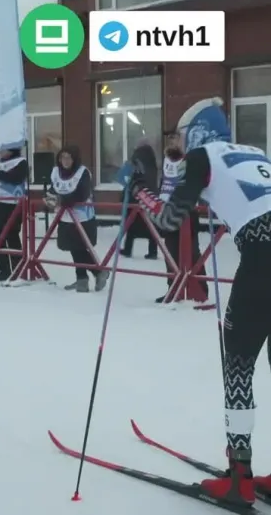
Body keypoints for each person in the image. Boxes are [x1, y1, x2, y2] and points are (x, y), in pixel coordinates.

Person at [123, 96, 271, 507]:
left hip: (263, 263)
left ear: (198, 134)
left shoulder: (203, 156)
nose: (182, 146)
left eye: (184, 137)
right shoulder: (255, 152)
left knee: (239, 368)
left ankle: (239, 478)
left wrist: (142, 192)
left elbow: (170, 219)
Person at [45, 145, 109, 292]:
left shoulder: (83, 173)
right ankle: (89, 276)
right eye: (62, 158)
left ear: (74, 159)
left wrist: (62, 200)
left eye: (68, 158)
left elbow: (82, 194)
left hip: (83, 217)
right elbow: (52, 189)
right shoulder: (56, 172)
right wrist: (49, 198)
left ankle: (89, 276)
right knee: (73, 248)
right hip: (66, 216)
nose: (65, 161)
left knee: (79, 248)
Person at [155, 132, 208, 303]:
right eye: (170, 140)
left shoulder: (190, 159)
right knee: (170, 252)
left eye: (176, 139)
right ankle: (173, 290)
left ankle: (200, 291)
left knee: (192, 252)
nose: (173, 143)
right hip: (168, 209)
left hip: (186, 211)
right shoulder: (164, 161)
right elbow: (162, 183)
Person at [0, 148, 28, 281]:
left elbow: (15, 178)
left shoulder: (21, 162)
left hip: (12, 203)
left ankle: (18, 270)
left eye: (4, 148)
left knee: (12, 236)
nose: (1, 151)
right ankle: (4, 269)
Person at [120, 139, 158, 259]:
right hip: (150, 195)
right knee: (151, 225)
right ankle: (153, 251)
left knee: (131, 223)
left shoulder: (136, 158)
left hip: (136, 194)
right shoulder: (152, 159)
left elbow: (130, 175)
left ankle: (127, 249)